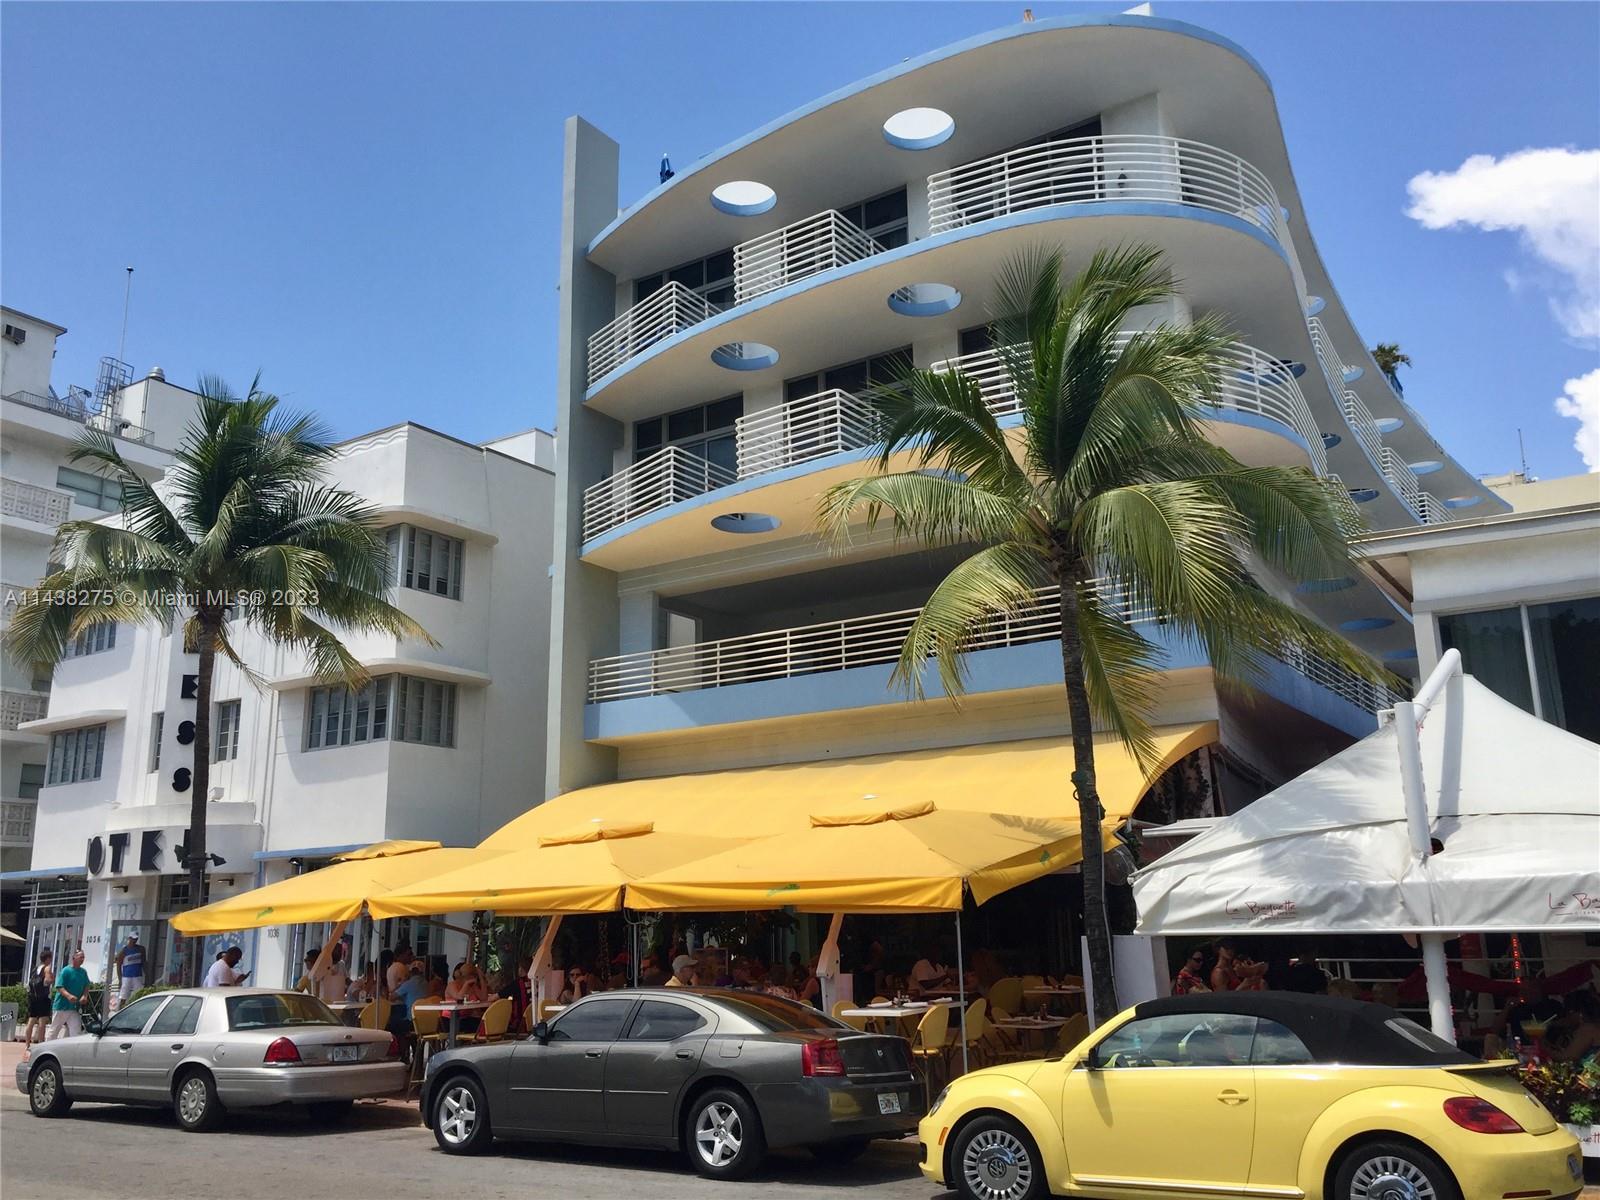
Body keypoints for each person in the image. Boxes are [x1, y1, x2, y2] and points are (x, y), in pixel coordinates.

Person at [49, 948, 90, 1040]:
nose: (82, 959)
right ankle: (46, 1048)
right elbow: (59, 986)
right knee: (54, 1031)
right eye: (80, 957)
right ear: (74, 958)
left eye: (83, 957)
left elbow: (87, 985)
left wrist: (84, 996)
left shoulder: (83, 972)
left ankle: (74, 1051)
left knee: (76, 1031)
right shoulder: (65, 971)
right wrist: (68, 996)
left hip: (74, 1008)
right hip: (61, 1007)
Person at [23, 948, 54, 1055]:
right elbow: (48, 980)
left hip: (33, 998)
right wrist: (52, 979)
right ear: (48, 958)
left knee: (31, 1020)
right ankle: (41, 1044)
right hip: (43, 998)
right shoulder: (47, 968)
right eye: (50, 958)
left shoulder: (35, 968)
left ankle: (27, 1044)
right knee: (42, 1022)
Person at [114, 932, 145, 1004]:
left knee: (139, 995)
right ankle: (121, 1011)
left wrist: (147, 976)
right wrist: (120, 979)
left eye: (136, 939)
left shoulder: (141, 949)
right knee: (123, 996)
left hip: (138, 976)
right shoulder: (124, 950)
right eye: (133, 939)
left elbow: (144, 963)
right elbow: (118, 965)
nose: (134, 940)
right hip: (126, 977)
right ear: (129, 938)